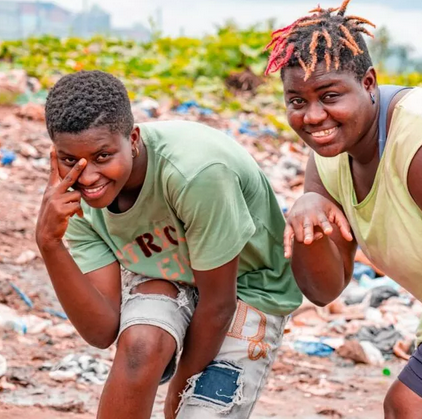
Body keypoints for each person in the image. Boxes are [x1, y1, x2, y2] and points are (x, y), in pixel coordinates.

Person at [35, 70, 302, 419]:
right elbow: (101, 331)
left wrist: (178, 395)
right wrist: (49, 243)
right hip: (170, 274)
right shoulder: (73, 199)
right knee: (140, 345)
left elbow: (218, 304)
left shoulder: (196, 173)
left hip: (248, 286)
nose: (87, 177)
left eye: (102, 157)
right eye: (70, 160)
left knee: (199, 412)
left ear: (132, 139)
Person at [264, 0, 422, 417]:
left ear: (368, 82)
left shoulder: (415, 144)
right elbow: (324, 289)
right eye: (296, 101)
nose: (313, 117)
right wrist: (307, 214)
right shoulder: (330, 154)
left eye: (330, 95)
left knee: (407, 405)